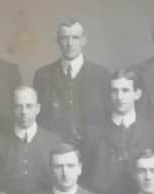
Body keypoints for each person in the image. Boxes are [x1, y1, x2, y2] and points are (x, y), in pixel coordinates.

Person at [85, 70, 154, 194]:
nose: (119, 97)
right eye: (115, 91)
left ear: (137, 94)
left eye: (125, 90)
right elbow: (85, 178)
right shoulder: (94, 132)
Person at [33, 18, 110, 148]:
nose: (70, 43)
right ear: (58, 41)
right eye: (65, 38)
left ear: (84, 41)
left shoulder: (101, 74)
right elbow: (37, 117)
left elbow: (108, 115)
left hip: (92, 149)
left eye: (75, 37)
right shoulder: (43, 75)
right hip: (53, 149)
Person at [0, 86, 60, 194]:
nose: (24, 112)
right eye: (18, 107)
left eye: (29, 106)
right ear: (12, 109)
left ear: (38, 108)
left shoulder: (54, 142)